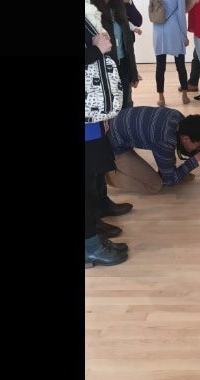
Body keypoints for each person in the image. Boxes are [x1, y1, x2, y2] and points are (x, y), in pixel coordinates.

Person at [85, 0, 129, 267]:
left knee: (91, 180)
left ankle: (93, 238)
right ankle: (90, 246)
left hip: (90, 116)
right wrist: (96, 50)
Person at [106, 106, 200, 193]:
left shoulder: (178, 117)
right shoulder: (165, 139)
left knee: (168, 168)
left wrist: (197, 150)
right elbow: (170, 181)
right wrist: (196, 159)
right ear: (186, 139)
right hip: (111, 144)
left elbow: (179, 147)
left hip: (116, 122)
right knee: (155, 185)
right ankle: (104, 173)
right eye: (199, 144)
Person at [153, 0, 191, 107]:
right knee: (180, 65)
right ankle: (184, 95)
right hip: (174, 30)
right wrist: (184, 35)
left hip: (158, 30)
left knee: (160, 67)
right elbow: (181, 14)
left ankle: (161, 97)